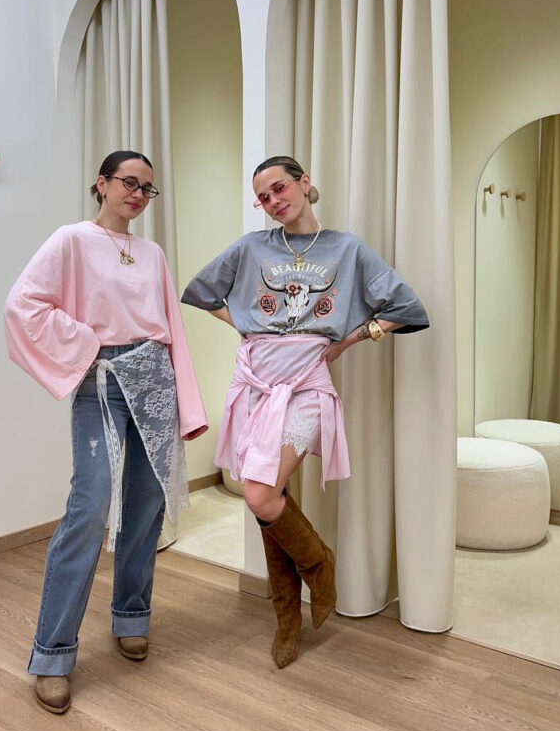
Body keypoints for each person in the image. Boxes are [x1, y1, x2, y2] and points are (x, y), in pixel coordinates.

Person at [181, 155, 428, 668]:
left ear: (304, 183)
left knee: (259, 493)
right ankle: (287, 621)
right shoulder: (252, 247)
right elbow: (199, 291)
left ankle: (319, 565)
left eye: (279, 188)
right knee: (270, 497)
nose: (273, 201)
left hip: (305, 386)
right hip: (254, 383)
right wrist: (245, 322)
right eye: (263, 197)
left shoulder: (347, 249)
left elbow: (406, 308)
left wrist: (352, 338)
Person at [4, 150, 207, 713]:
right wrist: (88, 343)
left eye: (147, 188)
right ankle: (52, 653)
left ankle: (131, 616)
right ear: (102, 183)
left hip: (155, 375)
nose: (138, 194)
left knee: (146, 502)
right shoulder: (71, 240)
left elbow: (172, 329)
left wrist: (188, 405)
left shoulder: (152, 252)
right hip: (102, 379)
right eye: (128, 183)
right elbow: (24, 305)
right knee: (90, 507)